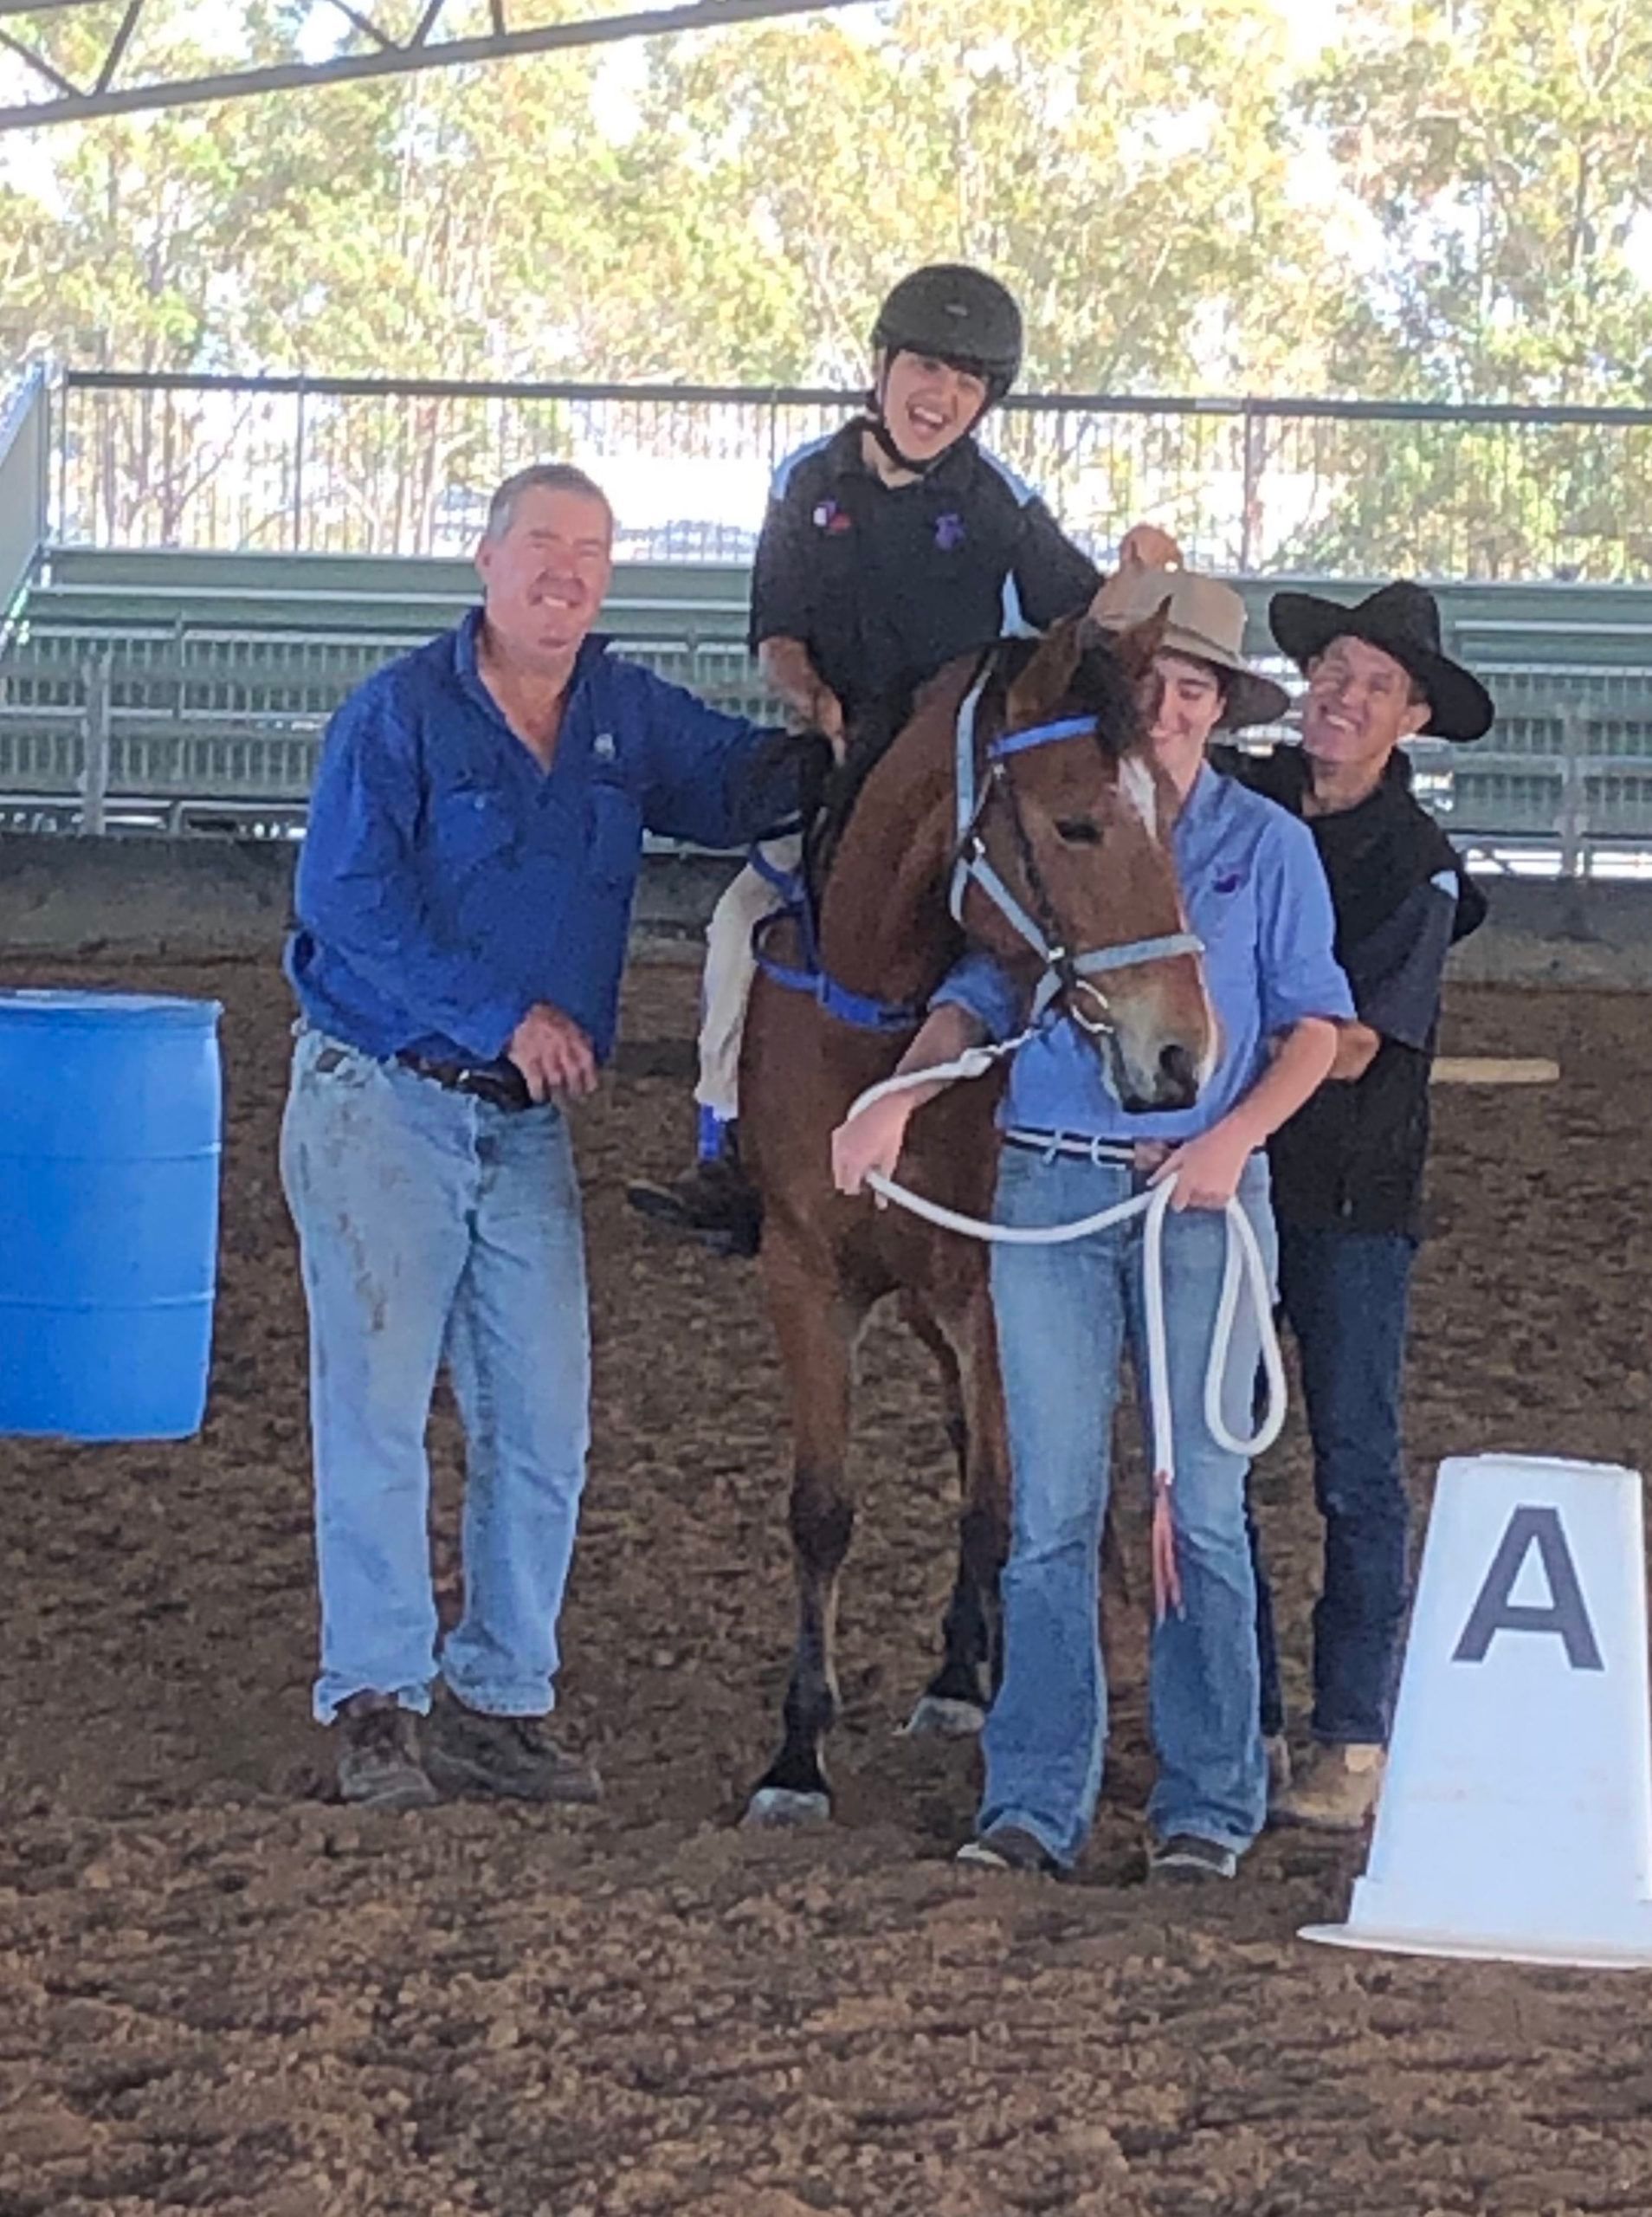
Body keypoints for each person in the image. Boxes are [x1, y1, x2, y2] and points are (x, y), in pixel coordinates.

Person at [281, 461, 803, 1810]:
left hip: (520, 1124)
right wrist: (503, 1016)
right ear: (487, 559)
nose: (567, 573)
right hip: (384, 1094)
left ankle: (501, 1693)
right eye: (543, 545)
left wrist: (857, 720)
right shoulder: (398, 715)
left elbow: (742, 782)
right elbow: (346, 901)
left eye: (593, 552)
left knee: (542, 1421)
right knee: (379, 1405)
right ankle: (379, 1697)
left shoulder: (624, 713)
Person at [831, 566, 1354, 1882]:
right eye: (1152, 689)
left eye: (1194, 692)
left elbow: (1317, 1029)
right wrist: (899, 1095)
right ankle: (1033, 1799)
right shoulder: (1056, 819)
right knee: (1051, 1509)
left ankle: (1210, 1800)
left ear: (1221, 708)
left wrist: (1233, 1139)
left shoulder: (1264, 848)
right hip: (1056, 1181)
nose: (1170, 711)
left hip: (1199, 1202)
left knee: (1203, 1507)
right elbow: (981, 985)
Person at [627, 262, 1177, 1255]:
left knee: (1028, 924)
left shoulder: (1001, 500)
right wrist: (819, 707)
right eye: (927, 368)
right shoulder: (807, 480)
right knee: (739, 922)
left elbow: (1079, 619)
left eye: (969, 383)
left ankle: (1036, 1136)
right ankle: (727, 1143)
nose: (943, 397)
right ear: (881, 366)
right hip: (841, 761)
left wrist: (1133, 579)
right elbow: (777, 630)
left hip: (962, 774)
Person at [1232, 581, 1492, 1831]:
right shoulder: (1239, 796)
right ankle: (1246, 1713)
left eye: (1374, 684)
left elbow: (1353, 1046)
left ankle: (1348, 1730)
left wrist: (1223, 1062)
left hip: (1345, 1191)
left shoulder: (1419, 866)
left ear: (1412, 718)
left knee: (1353, 1466)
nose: (1341, 695)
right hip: (1239, 1180)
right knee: (1217, 1459)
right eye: (1333, 669)